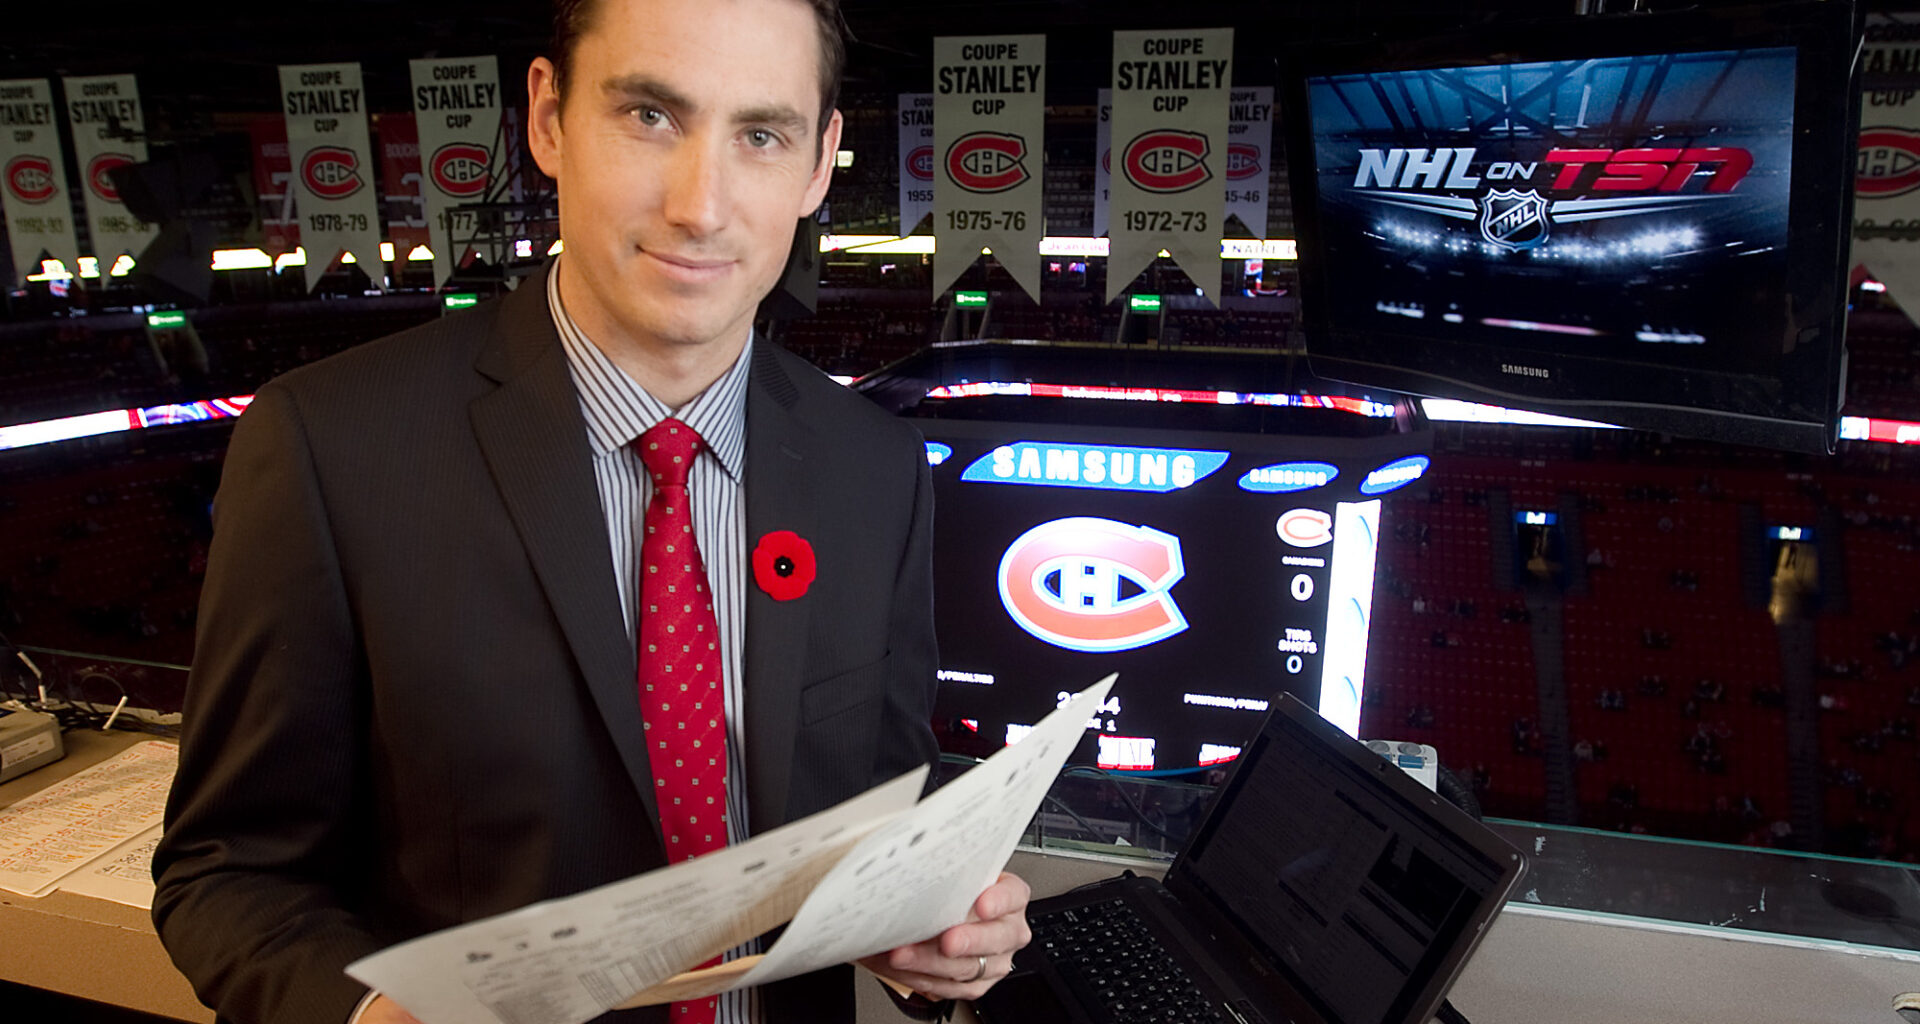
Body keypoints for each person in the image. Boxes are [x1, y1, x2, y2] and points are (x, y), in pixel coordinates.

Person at [150, 1, 1031, 1022]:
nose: (703, 206)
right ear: (548, 118)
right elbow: (227, 873)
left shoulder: (873, 464)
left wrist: (931, 929)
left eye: (760, 135)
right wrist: (367, 1013)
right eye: (651, 116)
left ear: (821, 160)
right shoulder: (328, 447)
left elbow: (886, 800)